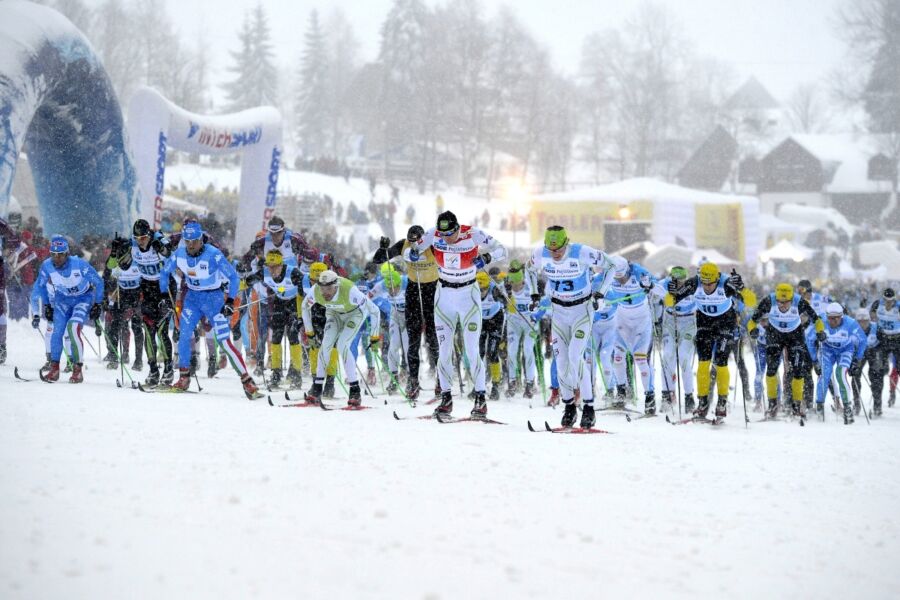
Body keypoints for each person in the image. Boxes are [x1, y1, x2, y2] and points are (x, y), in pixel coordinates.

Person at [408, 211, 507, 418]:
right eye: (442, 236)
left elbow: (502, 250)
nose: (446, 239)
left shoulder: (472, 233)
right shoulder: (434, 233)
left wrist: (488, 257)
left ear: (456, 228)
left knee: (472, 350)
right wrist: (414, 253)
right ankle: (446, 399)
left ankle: (480, 399)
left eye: (450, 235)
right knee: (444, 351)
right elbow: (411, 252)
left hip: (468, 295)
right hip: (443, 294)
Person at [526, 225, 625, 429]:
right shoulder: (540, 254)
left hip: (582, 311)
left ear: (566, 243)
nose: (555, 254)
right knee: (561, 362)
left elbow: (611, 266)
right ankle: (569, 405)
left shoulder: (581, 252)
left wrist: (600, 293)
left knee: (574, 356)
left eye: (559, 250)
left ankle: (588, 407)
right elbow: (528, 269)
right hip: (559, 313)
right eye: (551, 250)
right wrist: (534, 294)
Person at [160, 221, 259, 397]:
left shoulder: (214, 254)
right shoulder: (179, 254)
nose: (190, 245)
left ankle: (247, 380)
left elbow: (233, 278)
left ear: (201, 239)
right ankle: (184, 377)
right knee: (183, 333)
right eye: (187, 241)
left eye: (194, 241)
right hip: (192, 299)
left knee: (224, 341)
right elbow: (164, 272)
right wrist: (163, 295)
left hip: (214, 300)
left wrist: (229, 301)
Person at [671, 262, 755, 420]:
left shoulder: (726, 283)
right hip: (705, 323)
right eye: (704, 283)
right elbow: (670, 301)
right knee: (703, 364)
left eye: (710, 284)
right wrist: (672, 292)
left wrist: (742, 288)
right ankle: (702, 402)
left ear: (717, 278)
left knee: (721, 363)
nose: (707, 287)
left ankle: (722, 402)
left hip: (725, 324)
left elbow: (750, 302)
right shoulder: (695, 283)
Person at [373, 225, 440, 400]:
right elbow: (378, 260)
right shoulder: (404, 245)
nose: (414, 245)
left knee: (433, 339)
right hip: (413, 291)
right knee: (413, 340)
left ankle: (441, 380)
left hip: (431, 290)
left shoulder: (433, 245)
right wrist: (383, 249)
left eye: (417, 241)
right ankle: (412, 381)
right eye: (411, 241)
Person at [30, 235, 104, 382]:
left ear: (67, 254)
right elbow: (40, 287)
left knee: (73, 327)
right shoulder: (47, 266)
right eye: (53, 255)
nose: (56, 258)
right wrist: (47, 305)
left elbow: (99, 282)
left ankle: (77, 369)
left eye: (60, 255)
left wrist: (98, 304)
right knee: (56, 331)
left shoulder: (79, 264)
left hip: (82, 299)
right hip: (62, 300)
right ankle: (54, 369)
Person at [301, 269, 381, 406]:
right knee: (325, 345)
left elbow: (375, 310)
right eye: (322, 288)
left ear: (336, 285)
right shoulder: (315, 291)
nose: (325, 293)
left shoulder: (350, 291)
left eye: (329, 289)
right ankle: (317, 389)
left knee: (342, 345)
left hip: (354, 314)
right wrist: (310, 333)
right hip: (334, 314)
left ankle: (355, 391)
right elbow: (304, 307)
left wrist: (374, 337)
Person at [748, 283, 823, 418]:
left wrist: (820, 331)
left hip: (795, 336)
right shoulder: (769, 301)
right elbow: (752, 320)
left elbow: (816, 319)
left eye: (785, 302)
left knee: (798, 372)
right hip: (774, 334)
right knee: (771, 370)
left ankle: (796, 405)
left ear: (791, 299)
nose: (782, 305)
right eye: (779, 302)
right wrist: (752, 330)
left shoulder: (799, 301)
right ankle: (772, 405)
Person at [606, 260, 665, 415]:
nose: (620, 280)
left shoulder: (639, 272)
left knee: (640, 360)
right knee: (618, 358)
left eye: (622, 277)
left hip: (641, 323)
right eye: (617, 278)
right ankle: (621, 392)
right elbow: (593, 288)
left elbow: (662, 292)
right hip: (622, 321)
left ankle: (650, 397)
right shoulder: (609, 273)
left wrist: (650, 286)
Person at [243, 250, 305, 388]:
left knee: (293, 337)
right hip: (279, 303)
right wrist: (244, 277)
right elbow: (249, 281)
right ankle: (276, 374)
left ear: (281, 264)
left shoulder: (293, 272)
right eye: (269, 266)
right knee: (276, 338)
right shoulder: (264, 272)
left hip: (294, 304)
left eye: (275, 266)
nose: (271, 270)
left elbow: (305, 285)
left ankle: (296, 374)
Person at [130, 219, 176, 386]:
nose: (140, 240)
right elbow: (120, 263)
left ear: (149, 234)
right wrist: (115, 252)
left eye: (143, 237)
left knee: (162, 329)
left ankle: (169, 369)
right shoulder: (133, 243)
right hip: (147, 288)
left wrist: (162, 248)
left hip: (165, 288)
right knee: (149, 330)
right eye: (137, 237)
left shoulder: (158, 237)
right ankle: (153, 369)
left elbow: (170, 251)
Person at [809, 303, 866, 423]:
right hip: (827, 351)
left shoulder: (850, 323)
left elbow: (862, 340)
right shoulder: (821, 322)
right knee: (824, 375)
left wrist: (857, 360)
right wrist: (814, 360)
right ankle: (819, 407)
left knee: (840, 373)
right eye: (830, 318)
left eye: (836, 317)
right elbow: (809, 339)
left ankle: (847, 408)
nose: (833, 321)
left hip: (845, 350)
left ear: (842, 316)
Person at [102, 234, 144, 370]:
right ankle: (114, 356)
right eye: (118, 251)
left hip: (137, 293)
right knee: (115, 325)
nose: (122, 256)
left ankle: (138, 360)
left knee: (137, 327)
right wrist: (105, 297)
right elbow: (106, 276)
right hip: (122, 292)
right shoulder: (114, 259)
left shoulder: (137, 258)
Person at [659, 266, 697, 412]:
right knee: (667, 356)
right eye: (675, 279)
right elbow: (653, 290)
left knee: (683, 357)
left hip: (688, 323)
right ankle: (667, 395)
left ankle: (689, 397)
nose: (678, 282)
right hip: (670, 321)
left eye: (681, 280)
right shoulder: (666, 283)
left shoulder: (692, 286)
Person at [505, 262, 543, 399]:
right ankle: (512, 382)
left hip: (530, 323)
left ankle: (529, 383)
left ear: (522, 279)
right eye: (512, 283)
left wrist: (536, 315)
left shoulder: (531, 288)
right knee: (512, 350)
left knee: (527, 349)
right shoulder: (506, 288)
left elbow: (541, 306)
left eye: (517, 283)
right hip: (514, 323)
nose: (515, 286)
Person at [476, 271, 506, 401]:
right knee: (479, 353)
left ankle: (495, 385)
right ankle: (478, 385)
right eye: (480, 289)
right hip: (481, 320)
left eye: (484, 289)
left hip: (496, 319)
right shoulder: (474, 289)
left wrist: (503, 295)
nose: (482, 291)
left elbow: (506, 301)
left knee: (492, 352)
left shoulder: (494, 289)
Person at [869, 287, 900, 408]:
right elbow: (872, 314)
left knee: (898, 368)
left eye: (890, 301)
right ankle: (877, 405)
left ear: (894, 299)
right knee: (879, 371)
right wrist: (876, 320)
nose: (888, 303)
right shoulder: (877, 304)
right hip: (883, 340)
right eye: (886, 300)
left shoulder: (898, 306)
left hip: (897, 340)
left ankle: (892, 393)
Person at [852, 308, 886, 416]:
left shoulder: (876, 328)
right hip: (860, 353)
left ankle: (877, 405)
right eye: (860, 322)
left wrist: (882, 360)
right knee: (855, 375)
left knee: (876, 377)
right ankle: (856, 404)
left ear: (869, 320)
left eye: (865, 321)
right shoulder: (852, 329)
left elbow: (884, 343)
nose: (862, 324)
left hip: (874, 350)